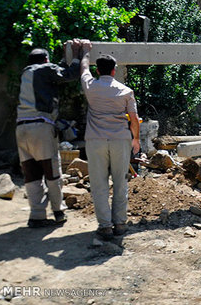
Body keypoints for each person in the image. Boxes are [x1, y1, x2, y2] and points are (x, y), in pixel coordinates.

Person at [16, 40, 87, 228]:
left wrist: (65, 57)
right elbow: (69, 74)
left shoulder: (27, 73)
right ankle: (59, 212)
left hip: (21, 128)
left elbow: (57, 71)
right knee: (52, 172)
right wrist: (79, 56)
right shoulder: (44, 69)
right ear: (46, 60)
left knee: (31, 174)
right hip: (40, 127)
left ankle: (37, 216)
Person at [80, 48, 140, 240]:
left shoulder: (90, 86)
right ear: (114, 70)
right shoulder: (125, 91)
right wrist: (136, 140)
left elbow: (83, 69)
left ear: (97, 70)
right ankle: (120, 224)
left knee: (99, 184)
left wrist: (84, 52)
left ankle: (105, 226)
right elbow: (134, 118)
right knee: (121, 182)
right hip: (120, 140)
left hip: (95, 140)